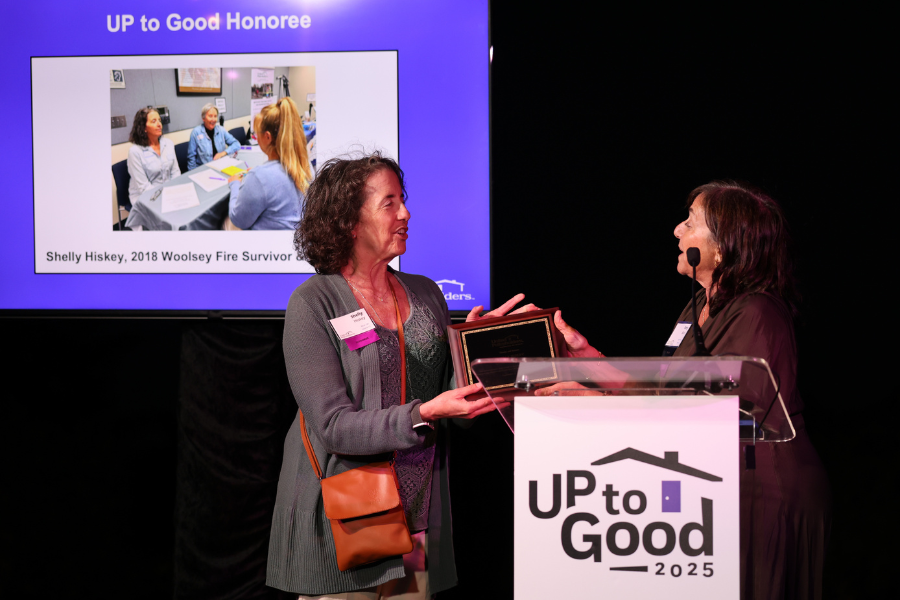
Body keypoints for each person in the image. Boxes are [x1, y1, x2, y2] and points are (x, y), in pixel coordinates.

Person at [540, 181, 831, 600]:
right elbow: (666, 389)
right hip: (717, 485)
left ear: (722, 248)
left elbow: (722, 413)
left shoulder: (758, 312)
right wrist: (589, 360)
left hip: (764, 492)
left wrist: (599, 405)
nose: (677, 230)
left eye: (690, 223)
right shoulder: (698, 308)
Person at [267, 152, 530, 598]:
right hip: (347, 522)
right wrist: (422, 413)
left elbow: (448, 399)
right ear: (350, 222)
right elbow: (334, 427)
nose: (406, 213)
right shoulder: (314, 303)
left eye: (402, 200)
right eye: (389, 203)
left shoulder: (426, 294)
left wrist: (478, 351)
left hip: (417, 519)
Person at [225, 97, 311, 230]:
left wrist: (235, 183)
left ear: (267, 137)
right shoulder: (305, 165)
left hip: (267, 242)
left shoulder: (260, 177)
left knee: (227, 223)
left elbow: (238, 220)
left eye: (256, 133)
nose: (255, 137)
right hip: (297, 237)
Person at [126, 107, 180, 205]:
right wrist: (166, 197)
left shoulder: (168, 144)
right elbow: (144, 187)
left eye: (159, 120)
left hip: (169, 192)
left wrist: (174, 191)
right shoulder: (135, 152)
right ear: (144, 127)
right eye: (154, 121)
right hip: (146, 197)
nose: (159, 124)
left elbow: (175, 172)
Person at [186, 103, 240, 170]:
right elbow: (191, 158)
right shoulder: (196, 133)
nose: (213, 119)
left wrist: (223, 153)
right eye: (210, 116)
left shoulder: (221, 130)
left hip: (221, 167)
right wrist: (193, 173)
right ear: (203, 118)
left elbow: (236, 144)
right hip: (204, 170)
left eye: (215, 116)